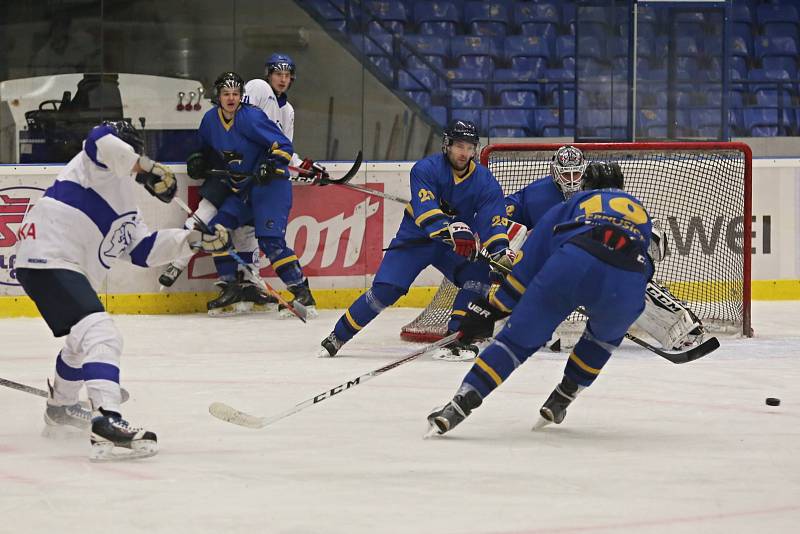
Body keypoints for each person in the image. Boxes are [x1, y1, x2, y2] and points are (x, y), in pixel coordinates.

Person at [14, 120, 230, 460]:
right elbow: (100, 138)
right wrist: (147, 168)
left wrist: (192, 240)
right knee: (103, 334)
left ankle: (62, 409)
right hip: (49, 254)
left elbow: (143, 250)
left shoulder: (127, 198)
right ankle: (107, 420)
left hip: (59, 264)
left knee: (80, 339)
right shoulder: (92, 164)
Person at [426, 162, 654, 435]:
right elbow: (647, 265)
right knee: (601, 341)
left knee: (514, 342)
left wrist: (496, 307)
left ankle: (459, 406)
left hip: (573, 264)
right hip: (628, 280)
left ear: (586, 186)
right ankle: (563, 397)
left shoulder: (577, 201)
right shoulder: (641, 213)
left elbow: (533, 255)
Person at [317, 119, 516, 359]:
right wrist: (451, 230)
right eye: (459, 146)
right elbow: (425, 209)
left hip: (454, 246)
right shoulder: (425, 169)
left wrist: (500, 252)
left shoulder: (485, 181)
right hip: (418, 238)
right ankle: (338, 335)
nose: (464, 153)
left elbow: (492, 220)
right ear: (447, 145)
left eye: (469, 147)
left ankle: (456, 338)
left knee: (478, 275)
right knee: (387, 289)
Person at [505, 146, 705, 351]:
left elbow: (650, 239)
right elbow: (497, 221)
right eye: (566, 174)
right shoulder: (535, 195)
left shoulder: (602, 198)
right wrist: (519, 240)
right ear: (555, 173)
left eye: (576, 174)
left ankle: (679, 327)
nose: (572, 180)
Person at [183, 71, 318, 317]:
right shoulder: (210, 120)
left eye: (235, 94)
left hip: (271, 186)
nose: (231, 98)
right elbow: (202, 149)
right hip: (244, 188)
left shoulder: (252, 117)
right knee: (216, 231)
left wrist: (272, 163)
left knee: (270, 241)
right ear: (218, 96)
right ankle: (231, 287)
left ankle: (302, 293)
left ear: (241, 96)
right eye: (226, 94)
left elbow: (283, 146)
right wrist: (197, 160)